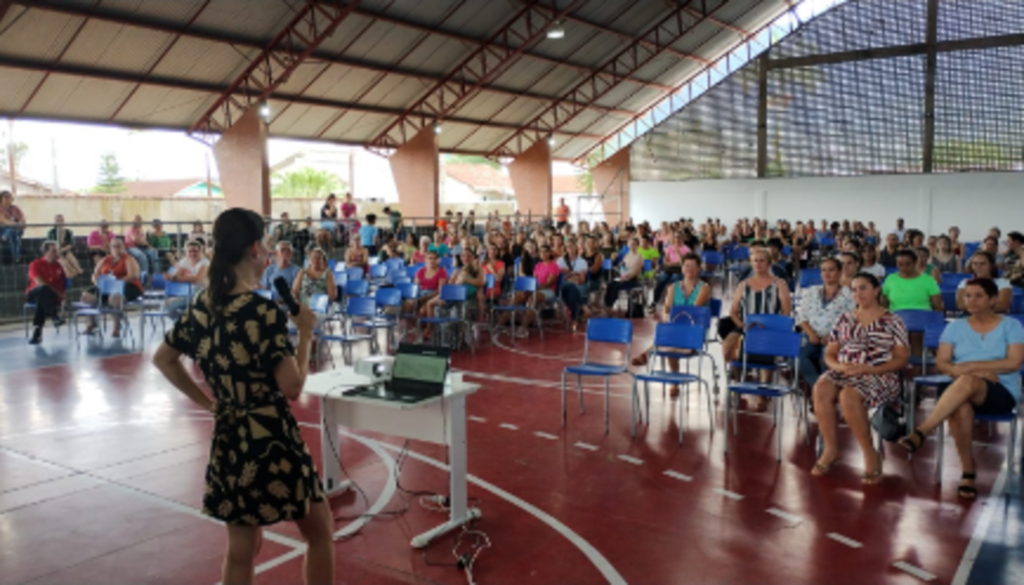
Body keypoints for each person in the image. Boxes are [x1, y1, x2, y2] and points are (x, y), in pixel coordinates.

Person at [153, 209, 334, 585]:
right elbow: (292, 386)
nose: (268, 251)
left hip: (230, 436)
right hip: (271, 435)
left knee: (241, 552)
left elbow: (164, 359)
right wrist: (304, 334)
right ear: (254, 248)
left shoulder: (203, 305)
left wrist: (209, 403)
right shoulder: (261, 312)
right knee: (318, 532)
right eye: (266, 243)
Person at [898, 278, 1024, 499]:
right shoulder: (954, 327)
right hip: (957, 387)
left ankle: (923, 431)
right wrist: (969, 373)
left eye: (978, 296)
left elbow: (1014, 362)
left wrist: (972, 366)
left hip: (999, 388)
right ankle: (967, 470)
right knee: (961, 405)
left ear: (992, 299)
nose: (971, 300)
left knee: (966, 383)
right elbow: (943, 364)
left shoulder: (1012, 325)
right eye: (968, 295)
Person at [811, 272, 909, 484]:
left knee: (849, 395)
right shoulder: (844, 318)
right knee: (821, 387)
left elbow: (901, 359)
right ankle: (831, 449)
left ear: (876, 290)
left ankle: (869, 452)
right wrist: (840, 366)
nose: (858, 293)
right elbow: (830, 353)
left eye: (863, 288)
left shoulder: (893, 320)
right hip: (845, 370)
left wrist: (870, 370)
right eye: (854, 289)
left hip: (880, 373)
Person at [719, 247, 793, 411]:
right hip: (747, 328)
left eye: (762, 260)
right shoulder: (743, 284)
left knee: (764, 352)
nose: (758, 264)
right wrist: (742, 326)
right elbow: (733, 311)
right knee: (729, 347)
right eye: (755, 261)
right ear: (751, 263)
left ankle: (763, 392)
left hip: (770, 330)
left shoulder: (779, 284)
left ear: (769, 263)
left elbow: (786, 313)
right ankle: (736, 383)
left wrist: (772, 327)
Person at [631, 253, 710, 397]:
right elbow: (667, 307)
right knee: (672, 336)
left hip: (695, 331)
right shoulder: (673, 287)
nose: (689, 269)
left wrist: (673, 316)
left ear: (699, 269)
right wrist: (667, 314)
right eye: (686, 265)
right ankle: (673, 381)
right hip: (676, 327)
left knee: (671, 338)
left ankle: (648, 353)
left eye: (693, 266)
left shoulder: (704, 288)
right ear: (682, 268)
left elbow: (693, 311)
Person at [796, 258, 855, 391]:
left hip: (835, 337)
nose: (827, 274)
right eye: (823, 270)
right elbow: (801, 316)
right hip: (810, 334)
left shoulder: (849, 295)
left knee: (827, 357)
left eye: (831, 270)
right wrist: (811, 334)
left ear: (840, 272)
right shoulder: (811, 291)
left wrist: (831, 336)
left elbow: (851, 321)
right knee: (795, 355)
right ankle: (819, 388)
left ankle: (824, 392)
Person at [81, 237, 143, 338]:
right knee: (86, 296)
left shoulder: (129, 259)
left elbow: (133, 275)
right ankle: (92, 323)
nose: (117, 249)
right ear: (110, 248)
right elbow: (95, 275)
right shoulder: (105, 260)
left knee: (115, 298)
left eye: (119, 246)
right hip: (106, 286)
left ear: (124, 247)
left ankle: (116, 326)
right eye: (114, 246)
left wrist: (116, 282)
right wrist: (97, 282)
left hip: (127, 286)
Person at [25, 240, 68, 344]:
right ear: (46, 252)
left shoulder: (59, 265)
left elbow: (69, 278)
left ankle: (37, 332)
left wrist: (65, 264)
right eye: (54, 251)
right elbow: (40, 283)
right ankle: (54, 315)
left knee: (43, 299)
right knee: (44, 290)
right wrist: (58, 293)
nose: (57, 253)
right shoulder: (35, 264)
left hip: (50, 297)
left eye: (57, 251)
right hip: (34, 293)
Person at [164, 240, 210, 319]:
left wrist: (175, 278)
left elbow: (196, 279)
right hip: (188, 293)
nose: (192, 254)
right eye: (190, 251)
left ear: (200, 252)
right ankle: (180, 324)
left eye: (195, 251)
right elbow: (174, 276)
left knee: (173, 305)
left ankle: (185, 323)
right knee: (166, 306)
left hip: (204, 294)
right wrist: (174, 277)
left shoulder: (204, 263)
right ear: (186, 253)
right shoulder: (185, 261)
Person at [603, 237, 643, 313]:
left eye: (634, 244)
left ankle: (611, 305)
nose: (632, 246)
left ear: (637, 245)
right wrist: (621, 273)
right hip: (624, 277)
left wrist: (625, 278)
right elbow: (622, 267)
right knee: (610, 284)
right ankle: (608, 305)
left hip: (633, 279)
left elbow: (636, 271)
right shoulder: (627, 255)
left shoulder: (639, 257)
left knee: (616, 286)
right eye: (630, 244)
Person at [557, 241, 590, 327]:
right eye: (568, 247)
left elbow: (582, 279)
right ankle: (582, 307)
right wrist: (571, 279)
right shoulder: (560, 261)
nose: (570, 249)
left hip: (578, 284)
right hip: (564, 285)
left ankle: (574, 317)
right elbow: (558, 278)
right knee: (570, 288)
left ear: (576, 248)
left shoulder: (582, 262)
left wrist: (570, 279)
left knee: (573, 292)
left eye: (572, 247)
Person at [46, 213, 83, 278]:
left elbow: (71, 244)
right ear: (55, 222)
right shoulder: (51, 232)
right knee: (64, 262)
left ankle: (78, 270)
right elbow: (50, 244)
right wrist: (58, 251)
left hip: (65, 251)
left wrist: (62, 250)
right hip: (54, 252)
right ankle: (72, 274)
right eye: (58, 221)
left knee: (70, 256)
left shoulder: (68, 232)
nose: (60, 222)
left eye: (61, 220)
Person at [414, 250, 448, 317]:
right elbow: (416, 287)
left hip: (433, 296)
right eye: (430, 258)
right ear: (426, 260)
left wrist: (426, 298)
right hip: (421, 295)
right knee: (409, 305)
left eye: (435, 258)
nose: (432, 260)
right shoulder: (420, 271)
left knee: (422, 312)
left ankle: (428, 327)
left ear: (438, 260)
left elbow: (440, 291)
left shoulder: (442, 272)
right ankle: (409, 326)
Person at [125, 214, 159, 282]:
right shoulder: (131, 229)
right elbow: (136, 240)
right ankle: (144, 278)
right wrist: (149, 246)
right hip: (131, 247)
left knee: (154, 252)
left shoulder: (141, 229)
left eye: (140, 220)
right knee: (142, 256)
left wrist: (149, 245)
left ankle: (155, 275)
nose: (139, 222)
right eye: (137, 220)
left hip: (141, 247)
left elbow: (144, 240)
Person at [0, 190, 26, 263]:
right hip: (2, 230)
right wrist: (16, 224)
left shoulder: (15, 208)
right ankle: (16, 256)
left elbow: (22, 219)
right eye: (6, 197)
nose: (8, 199)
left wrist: (21, 223)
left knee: (13, 232)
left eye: (10, 197)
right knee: (13, 234)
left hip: (17, 230)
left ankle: (5, 237)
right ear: (1, 198)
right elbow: (3, 220)